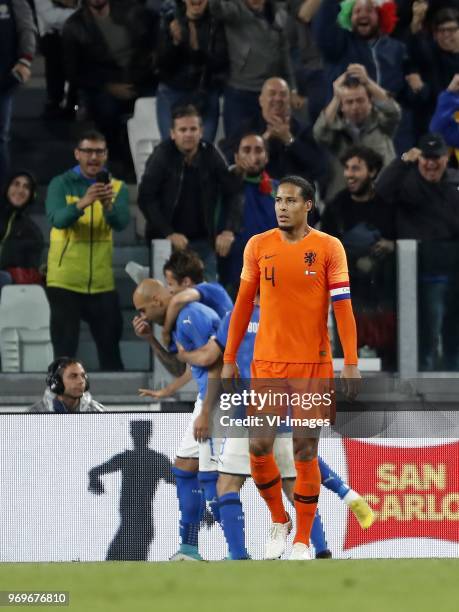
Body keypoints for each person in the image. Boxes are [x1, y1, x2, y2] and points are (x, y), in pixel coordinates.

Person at [222, 175, 361, 560]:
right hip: (266, 363)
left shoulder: (329, 248)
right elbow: (242, 306)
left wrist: (350, 362)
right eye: (278, 201)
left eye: (290, 201)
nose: (281, 207)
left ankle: (302, 540)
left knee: (304, 451)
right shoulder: (258, 245)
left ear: (308, 205)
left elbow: (343, 308)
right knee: (259, 447)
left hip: (312, 364)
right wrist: (230, 357)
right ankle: (279, 519)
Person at [175, 299, 373, 560]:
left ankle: (238, 555)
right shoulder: (293, 315)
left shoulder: (238, 315)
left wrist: (183, 355)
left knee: (228, 484)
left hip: (245, 411)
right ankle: (322, 548)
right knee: (294, 484)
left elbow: (211, 360)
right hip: (286, 408)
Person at [132, 278, 221, 561]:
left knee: (218, 480)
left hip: (220, 399)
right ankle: (189, 550)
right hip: (207, 399)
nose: (141, 316)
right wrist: (150, 338)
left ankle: (238, 550)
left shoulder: (191, 316)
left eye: (142, 310)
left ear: (157, 301)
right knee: (184, 469)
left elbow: (220, 361)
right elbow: (177, 366)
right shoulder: (180, 319)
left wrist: (207, 410)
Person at [45, 129, 130, 371]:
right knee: (64, 354)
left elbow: (121, 222)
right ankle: (57, 405)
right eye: (88, 151)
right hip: (65, 281)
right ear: (77, 154)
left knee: (111, 352)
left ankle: (115, 407)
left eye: (99, 152)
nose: (93, 157)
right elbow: (57, 219)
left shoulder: (117, 187)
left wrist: (108, 205)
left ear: (106, 155)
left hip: (102, 282)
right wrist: (83, 202)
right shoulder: (60, 184)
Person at [376, 133, 459, 371]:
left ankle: (453, 387)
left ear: (446, 158)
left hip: (453, 273)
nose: (431, 163)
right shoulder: (406, 183)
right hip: (419, 275)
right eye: (426, 157)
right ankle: (423, 388)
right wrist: (403, 161)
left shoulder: (454, 184)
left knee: (453, 333)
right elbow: (380, 190)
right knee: (427, 333)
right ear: (418, 158)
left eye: (437, 157)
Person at [137, 104, 242, 280]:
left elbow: (233, 192)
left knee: (207, 297)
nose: (188, 134)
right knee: (167, 298)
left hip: (204, 242)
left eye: (193, 129)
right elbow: (146, 198)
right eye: (182, 129)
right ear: (172, 133)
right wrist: (168, 232)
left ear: (201, 131)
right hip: (166, 241)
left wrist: (229, 230)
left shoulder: (210, 154)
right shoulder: (161, 155)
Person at [321, 145, 396, 369]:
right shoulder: (336, 207)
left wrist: (392, 245)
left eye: (356, 168)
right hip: (349, 296)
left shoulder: (386, 207)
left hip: (383, 295)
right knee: (347, 357)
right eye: (347, 168)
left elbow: (399, 238)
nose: (349, 174)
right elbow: (326, 249)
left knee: (389, 356)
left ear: (372, 172)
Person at [62, 0, 158, 160]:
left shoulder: (132, 10)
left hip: (141, 77)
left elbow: (156, 26)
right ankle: (118, 159)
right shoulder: (74, 26)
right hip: (105, 84)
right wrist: (108, 86)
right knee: (106, 110)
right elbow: (73, 72)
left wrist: (154, 54)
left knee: (155, 104)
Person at [219, 77, 328, 191]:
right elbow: (227, 159)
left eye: (283, 94)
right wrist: (261, 143)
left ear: (289, 100)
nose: (277, 98)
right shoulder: (246, 129)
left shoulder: (303, 129)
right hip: (257, 194)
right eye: (272, 93)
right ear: (261, 100)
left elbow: (319, 166)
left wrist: (289, 140)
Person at [209, 0, 298, 138]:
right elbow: (214, 7)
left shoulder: (278, 15)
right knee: (236, 144)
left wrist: (292, 88)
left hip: (271, 95)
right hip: (239, 93)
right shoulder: (233, 11)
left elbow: (284, 55)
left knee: (271, 144)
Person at [88, 420, 175, 560]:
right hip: (131, 525)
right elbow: (94, 472)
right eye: (135, 433)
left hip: (139, 526)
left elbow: (183, 484)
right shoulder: (146, 459)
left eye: (138, 433)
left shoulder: (150, 460)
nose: (137, 436)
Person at [313, 67, 401, 201]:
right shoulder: (336, 131)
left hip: (383, 196)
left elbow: (394, 111)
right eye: (349, 102)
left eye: (360, 100)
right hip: (346, 200)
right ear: (342, 106)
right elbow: (319, 133)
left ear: (370, 102)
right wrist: (336, 97)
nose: (355, 107)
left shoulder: (382, 124)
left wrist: (368, 83)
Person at [156, 0, 228, 142]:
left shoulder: (216, 22)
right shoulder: (169, 19)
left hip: (205, 93)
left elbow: (220, 62)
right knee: (173, 147)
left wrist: (196, 49)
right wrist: (175, 44)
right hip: (172, 92)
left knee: (204, 147)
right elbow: (161, 64)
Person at [218, 133, 278, 295]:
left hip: (272, 275)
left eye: (258, 150)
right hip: (234, 273)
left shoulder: (278, 190)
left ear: (266, 157)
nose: (253, 155)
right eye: (246, 150)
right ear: (237, 157)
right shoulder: (224, 186)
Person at [0, 0, 36, 188]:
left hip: (3, 79)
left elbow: (26, 28)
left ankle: (3, 195)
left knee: (1, 138)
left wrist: (25, 60)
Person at [0, 171, 43, 293]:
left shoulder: (32, 231)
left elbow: (31, 274)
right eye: (16, 184)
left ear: (31, 195)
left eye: (26, 187)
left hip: (10, 292)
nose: (20, 190)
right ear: (7, 187)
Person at [35, 0, 78, 119]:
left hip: (79, 34)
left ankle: (73, 104)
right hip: (53, 37)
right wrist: (80, 14)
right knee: (55, 67)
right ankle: (55, 102)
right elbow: (51, 18)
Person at [29, 356, 104, 413]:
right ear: (57, 382)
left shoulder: (99, 413)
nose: (81, 381)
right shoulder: (34, 415)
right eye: (73, 376)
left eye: (83, 376)